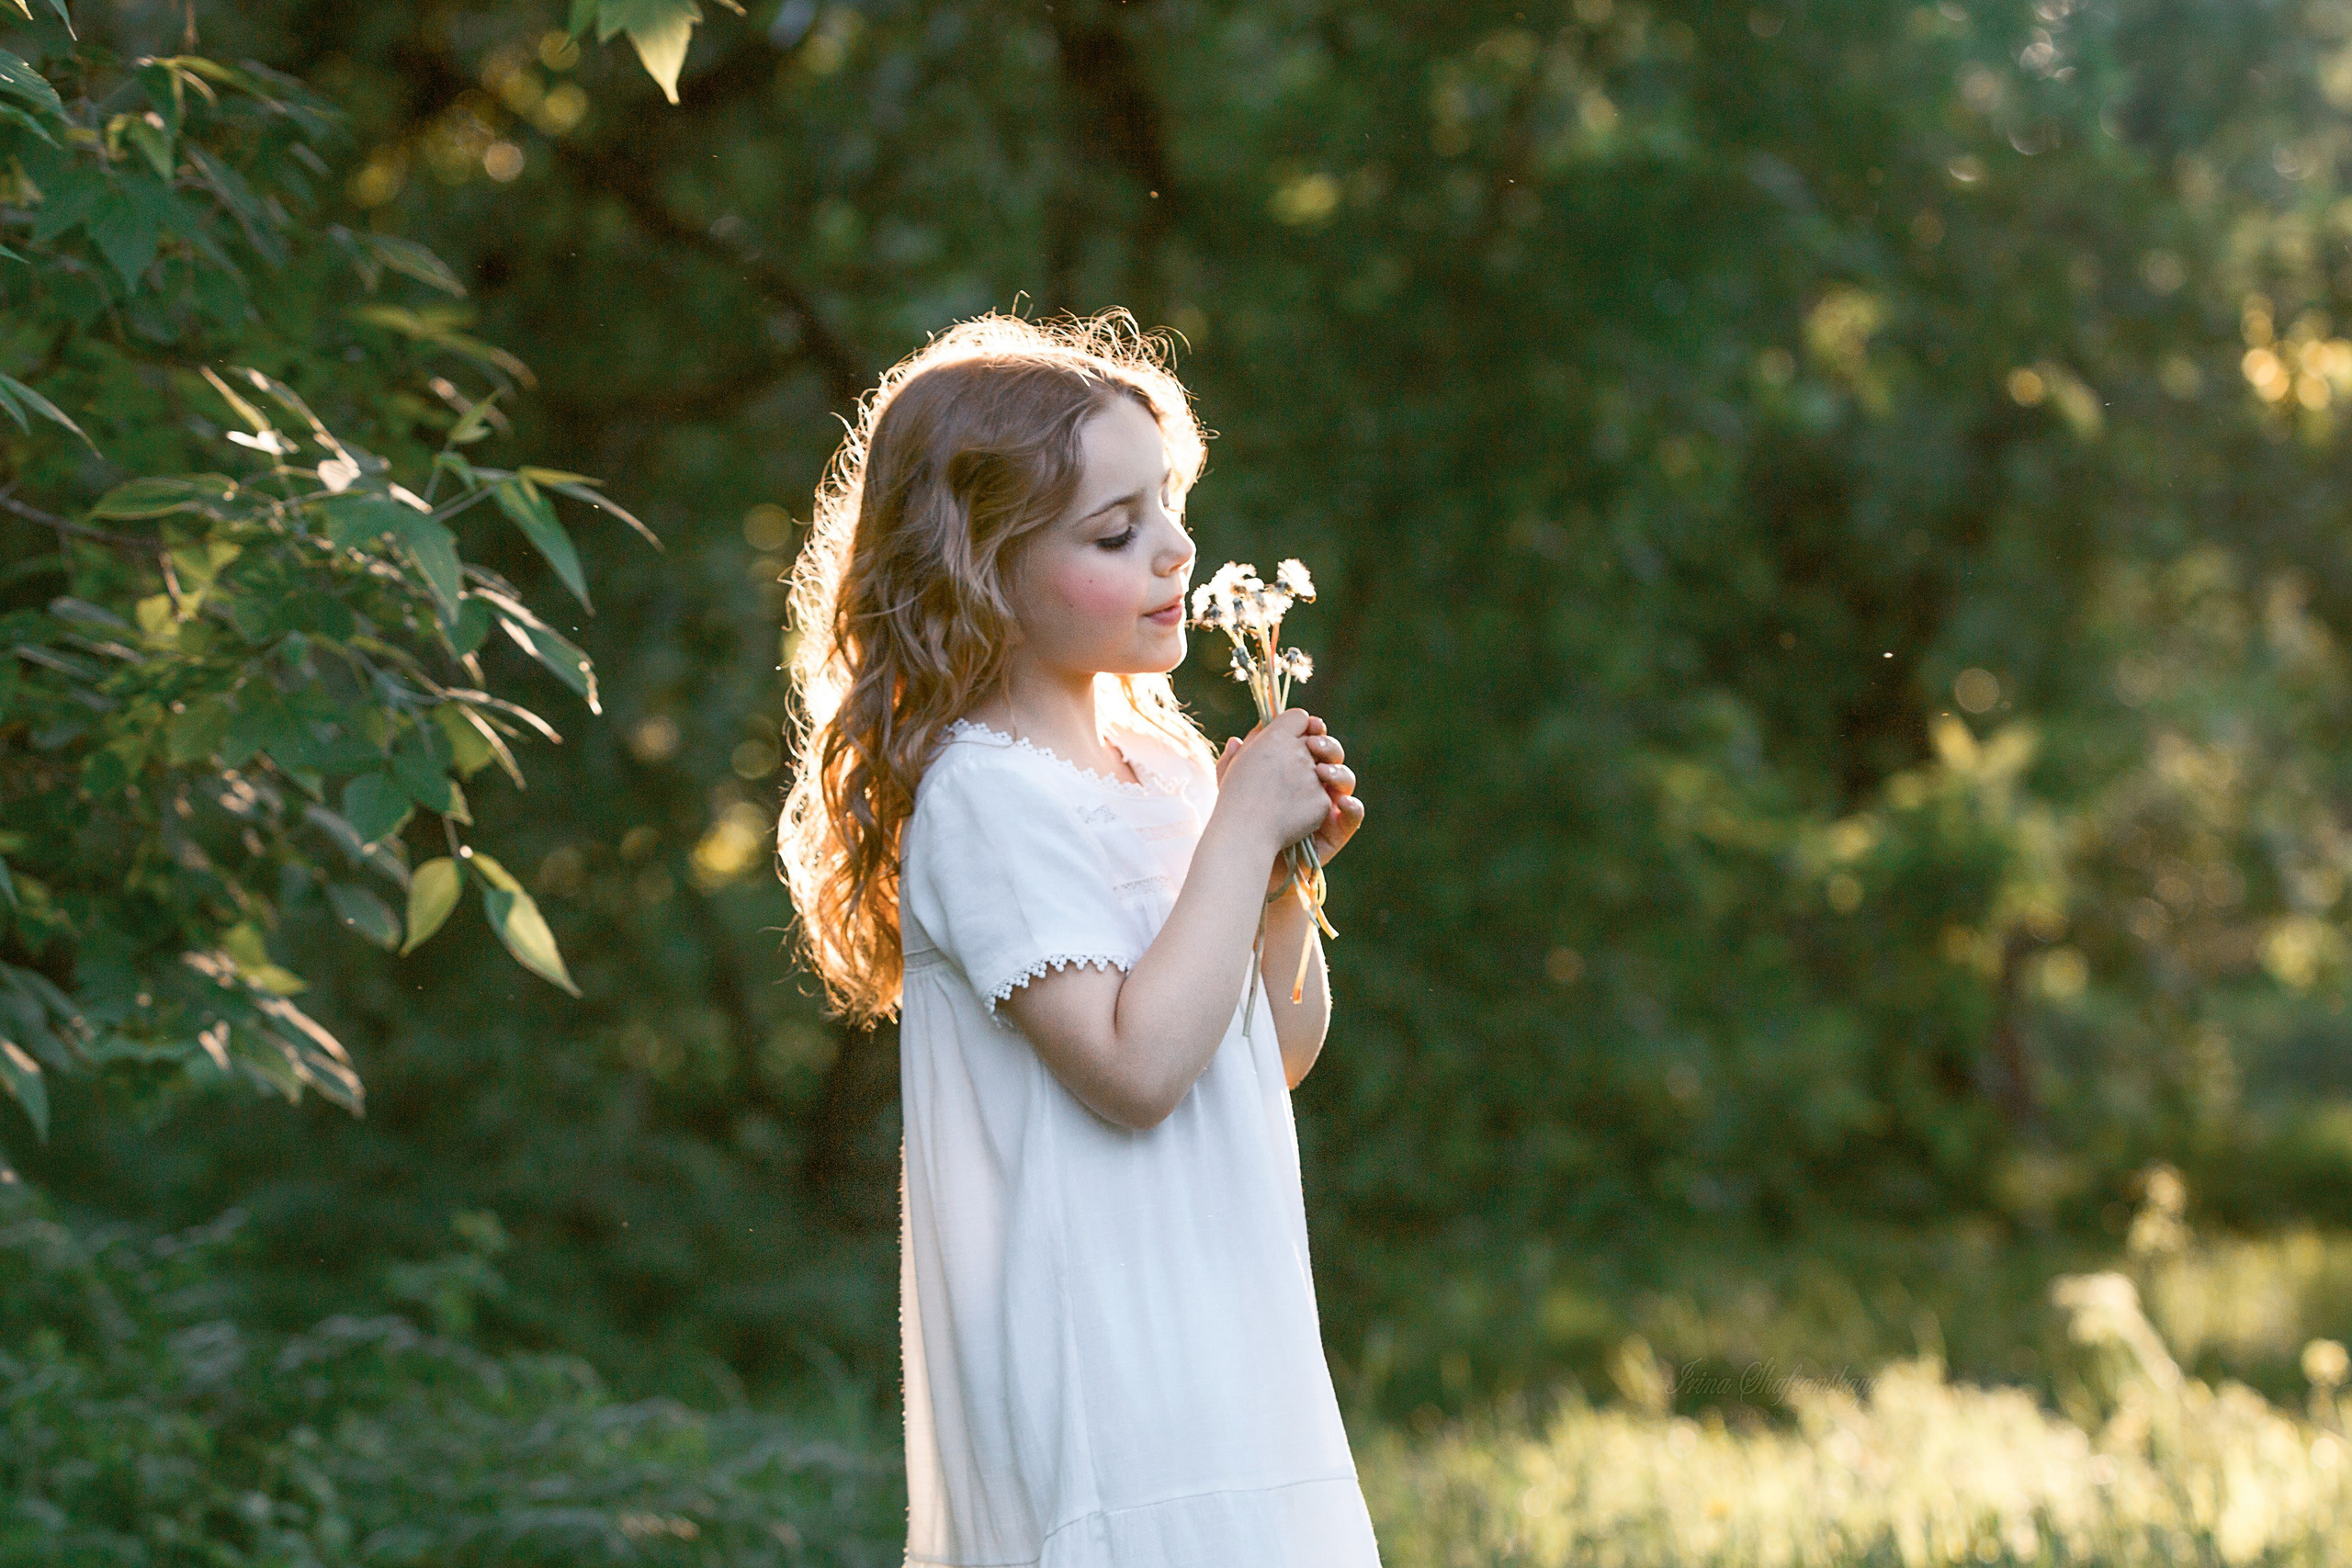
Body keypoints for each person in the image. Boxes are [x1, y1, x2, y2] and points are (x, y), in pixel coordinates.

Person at [778, 310, 1378, 1568]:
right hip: (1104, 1359)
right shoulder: (984, 797)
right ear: (981, 575)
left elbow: (1269, 1056)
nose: (1176, 549)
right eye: (1115, 532)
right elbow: (1134, 1070)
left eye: (1168, 506)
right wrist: (1240, 831)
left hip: (1228, 1333)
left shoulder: (1166, 766)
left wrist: (1279, 876)